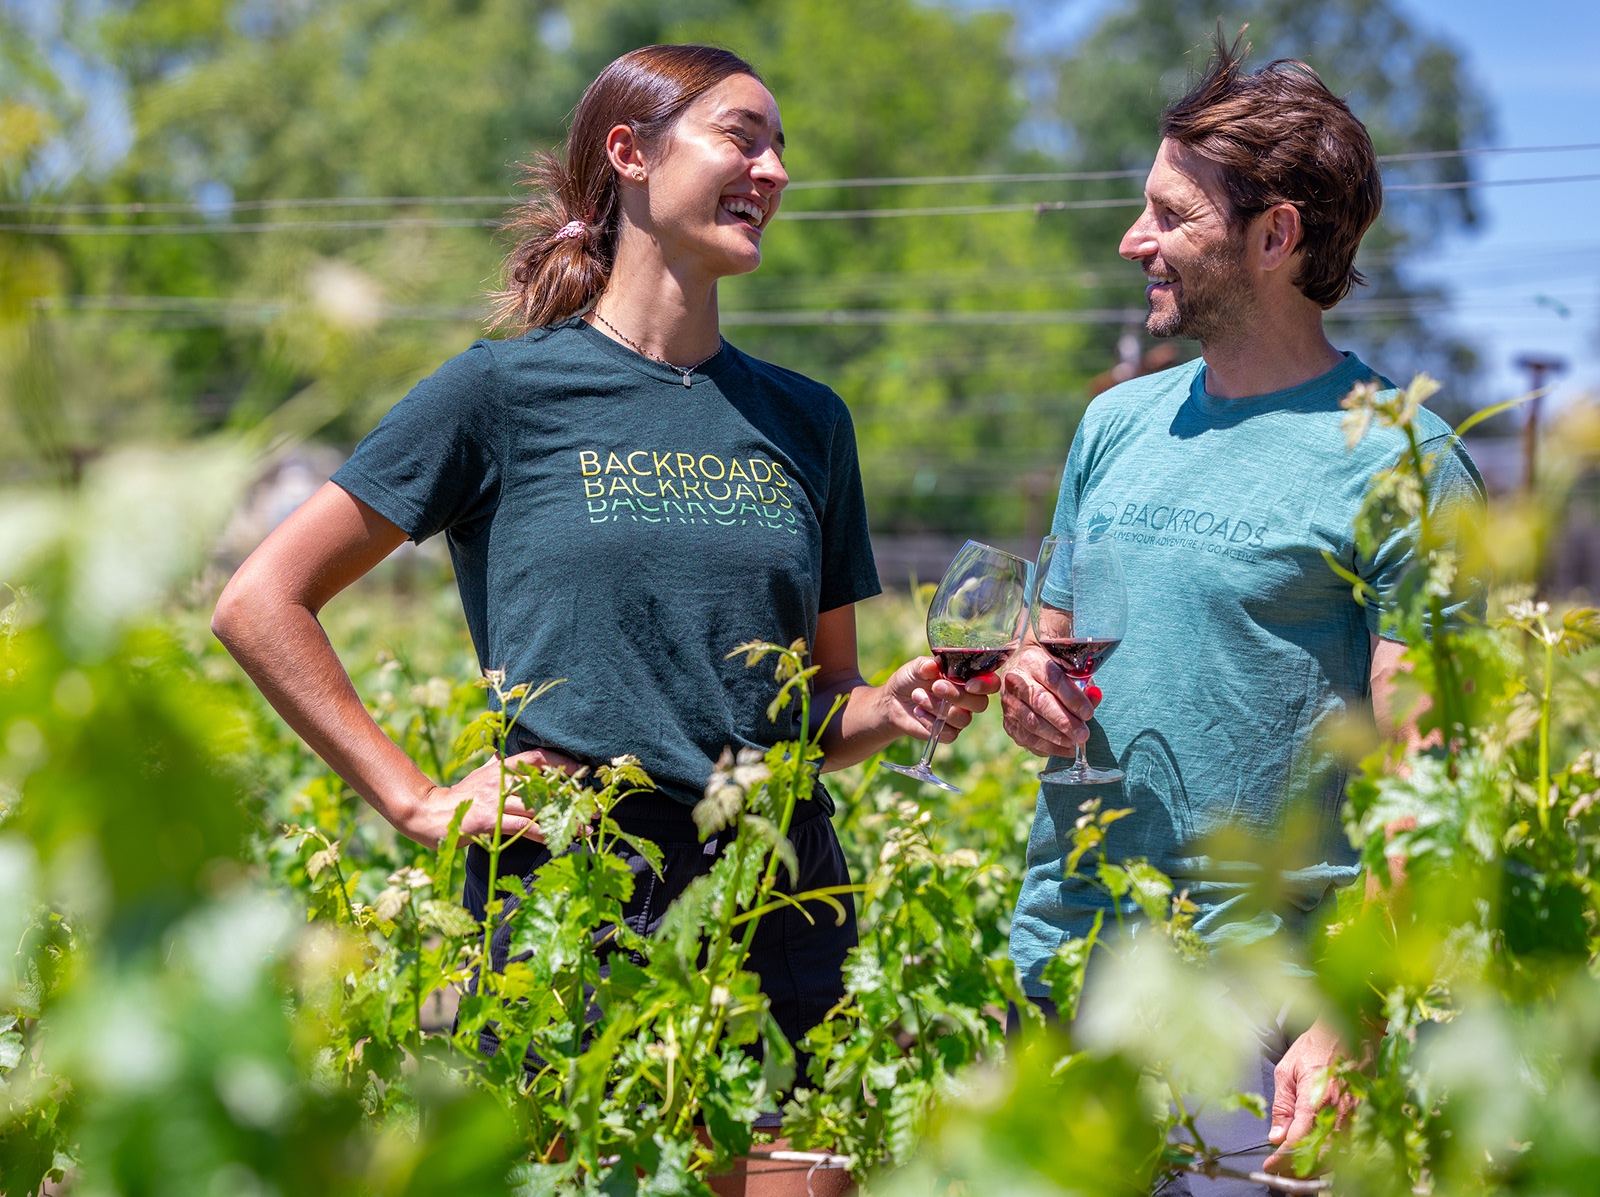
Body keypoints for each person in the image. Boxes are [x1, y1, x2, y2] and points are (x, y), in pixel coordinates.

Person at [211, 43, 997, 1065]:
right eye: (741, 138)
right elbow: (260, 599)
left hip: (782, 894)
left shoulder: (809, 421)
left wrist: (888, 707)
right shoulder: (500, 395)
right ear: (630, 154)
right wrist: (412, 798)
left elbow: (818, 702)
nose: (774, 172)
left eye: (779, 151)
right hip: (575, 900)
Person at [999, 35, 1484, 1189]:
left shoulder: (1405, 463)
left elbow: (1434, 774)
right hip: (1073, 969)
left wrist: (1352, 1013)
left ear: (1275, 237)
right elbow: (1049, 641)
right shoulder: (1117, 424)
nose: (1135, 242)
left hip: (1266, 1022)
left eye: (1170, 216)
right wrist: (1026, 679)